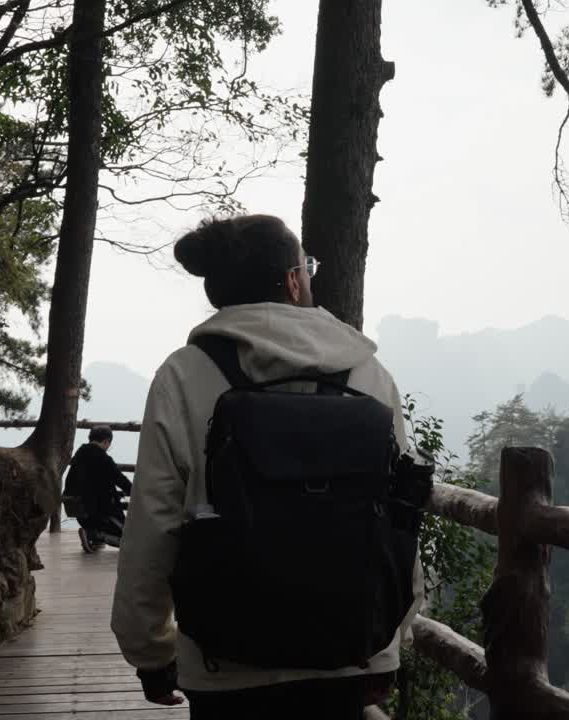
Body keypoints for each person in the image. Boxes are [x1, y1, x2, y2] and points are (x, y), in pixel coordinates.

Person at [111, 215, 426, 719]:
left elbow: (154, 521)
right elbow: (397, 517)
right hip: (346, 654)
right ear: (293, 280)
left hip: (223, 662)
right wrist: (388, 646)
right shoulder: (367, 372)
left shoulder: (185, 374)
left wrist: (149, 651)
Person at [62, 426, 131, 553]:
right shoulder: (102, 458)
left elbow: (89, 483)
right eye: (109, 444)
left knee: (104, 524)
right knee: (129, 539)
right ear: (106, 441)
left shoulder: (79, 455)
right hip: (97, 511)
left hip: (77, 509)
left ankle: (92, 536)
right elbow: (120, 479)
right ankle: (93, 534)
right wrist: (134, 491)